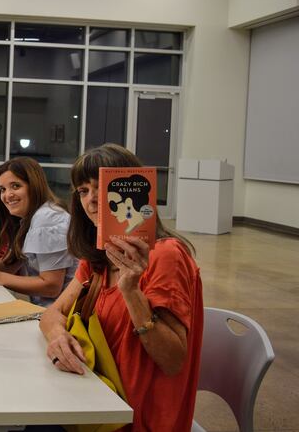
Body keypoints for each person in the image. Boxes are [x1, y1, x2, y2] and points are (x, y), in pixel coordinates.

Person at [40, 143, 203, 432]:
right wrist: (57, 336)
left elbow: (173, 360)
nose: (91, 200)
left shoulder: (166, 255)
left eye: (101, 188)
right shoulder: (99, 258)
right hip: (94, 399)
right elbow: (53, 313)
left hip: (136, 418)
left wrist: (131, 291)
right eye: (83, 191)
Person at [0, 157, 76, 306]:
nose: (7, 195)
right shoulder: (27, 219)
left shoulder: (47, 219)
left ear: (34, 185)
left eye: (16, 186)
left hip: (62, 316)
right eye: (3, 189)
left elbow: (51, 287)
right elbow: (9, 267)